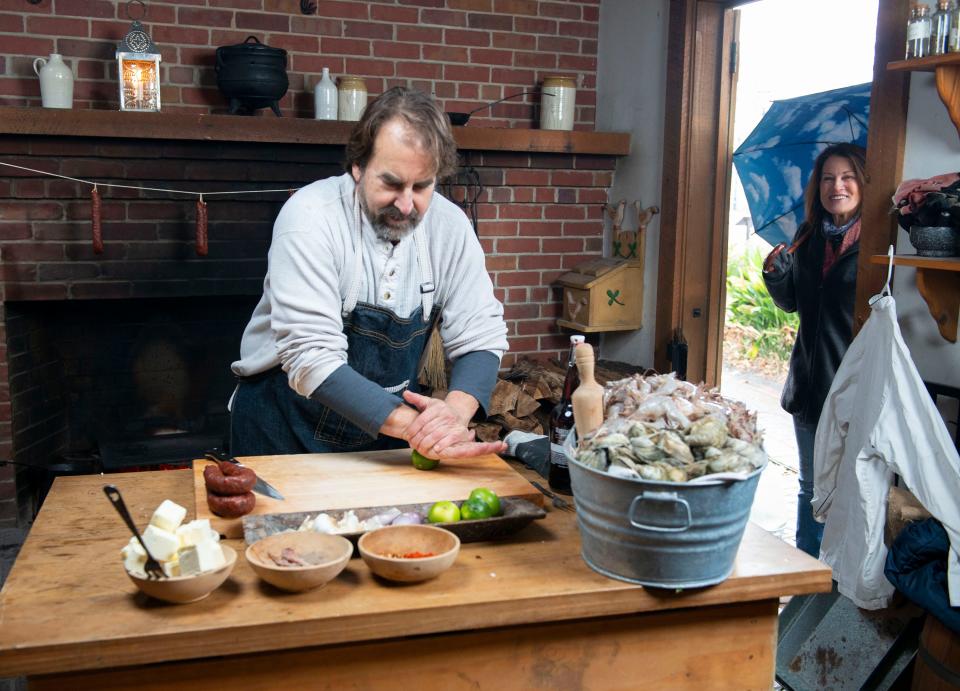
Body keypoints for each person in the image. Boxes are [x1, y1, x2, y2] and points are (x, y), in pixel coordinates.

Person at [230, 87, 509, 461]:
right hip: (281, 433)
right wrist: (421, 430)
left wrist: (453, 418)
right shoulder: (310, 218)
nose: (407, 204)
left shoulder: (450, 227)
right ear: (357, 168)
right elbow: (311, 355)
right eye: (391, 184)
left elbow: (481, 334)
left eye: (422, 186)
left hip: (382, 440)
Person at [762, 142, 868, 558]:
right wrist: (777, 275)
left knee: (845, 492)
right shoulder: (807, 237)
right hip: (808, 385)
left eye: (846, 177)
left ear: (862, 182)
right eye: (827, 178)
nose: (836, 186)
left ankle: (837, 582)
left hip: (852, 390)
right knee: (810, 488)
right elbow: (793, 303)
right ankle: (806, 575)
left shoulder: (877, 245)